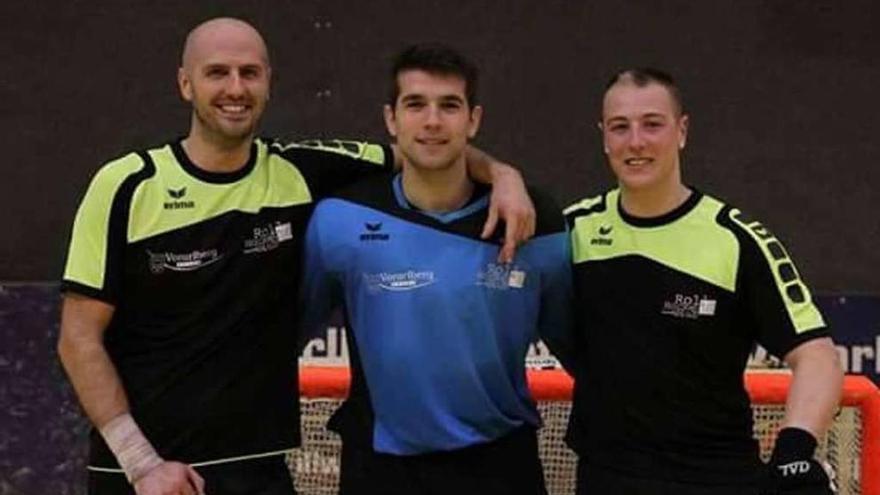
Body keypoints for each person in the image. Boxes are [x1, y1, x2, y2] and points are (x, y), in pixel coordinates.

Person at [57, 18, 535, 495]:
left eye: (250, 73)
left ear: (268, 83)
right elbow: (77, 339)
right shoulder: (126, 185)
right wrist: (141, 463)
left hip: (260, 469)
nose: (235, 88)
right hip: (150, 476)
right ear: (186, 84)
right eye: (217, 73)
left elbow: (425, 147)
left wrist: (503, 175)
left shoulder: (300, 171)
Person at [299, 44, 572, 495]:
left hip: (502, 465)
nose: (431, 121)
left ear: (474, 120)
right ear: (391, 120)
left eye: (449, 105)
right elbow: (286, 332)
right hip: (381, 471)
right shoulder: (339, 220)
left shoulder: (532, 223)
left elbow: (577, 343)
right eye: (415, 104)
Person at [563, 68, 843, 495]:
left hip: (717, 479)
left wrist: (793, 452)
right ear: (604, 137)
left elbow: (817, 355)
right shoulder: (571, 231)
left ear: (682, 131)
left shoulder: (736, 239)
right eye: (620, 127)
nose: (636, 141)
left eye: (652, 124)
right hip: (605, 478)